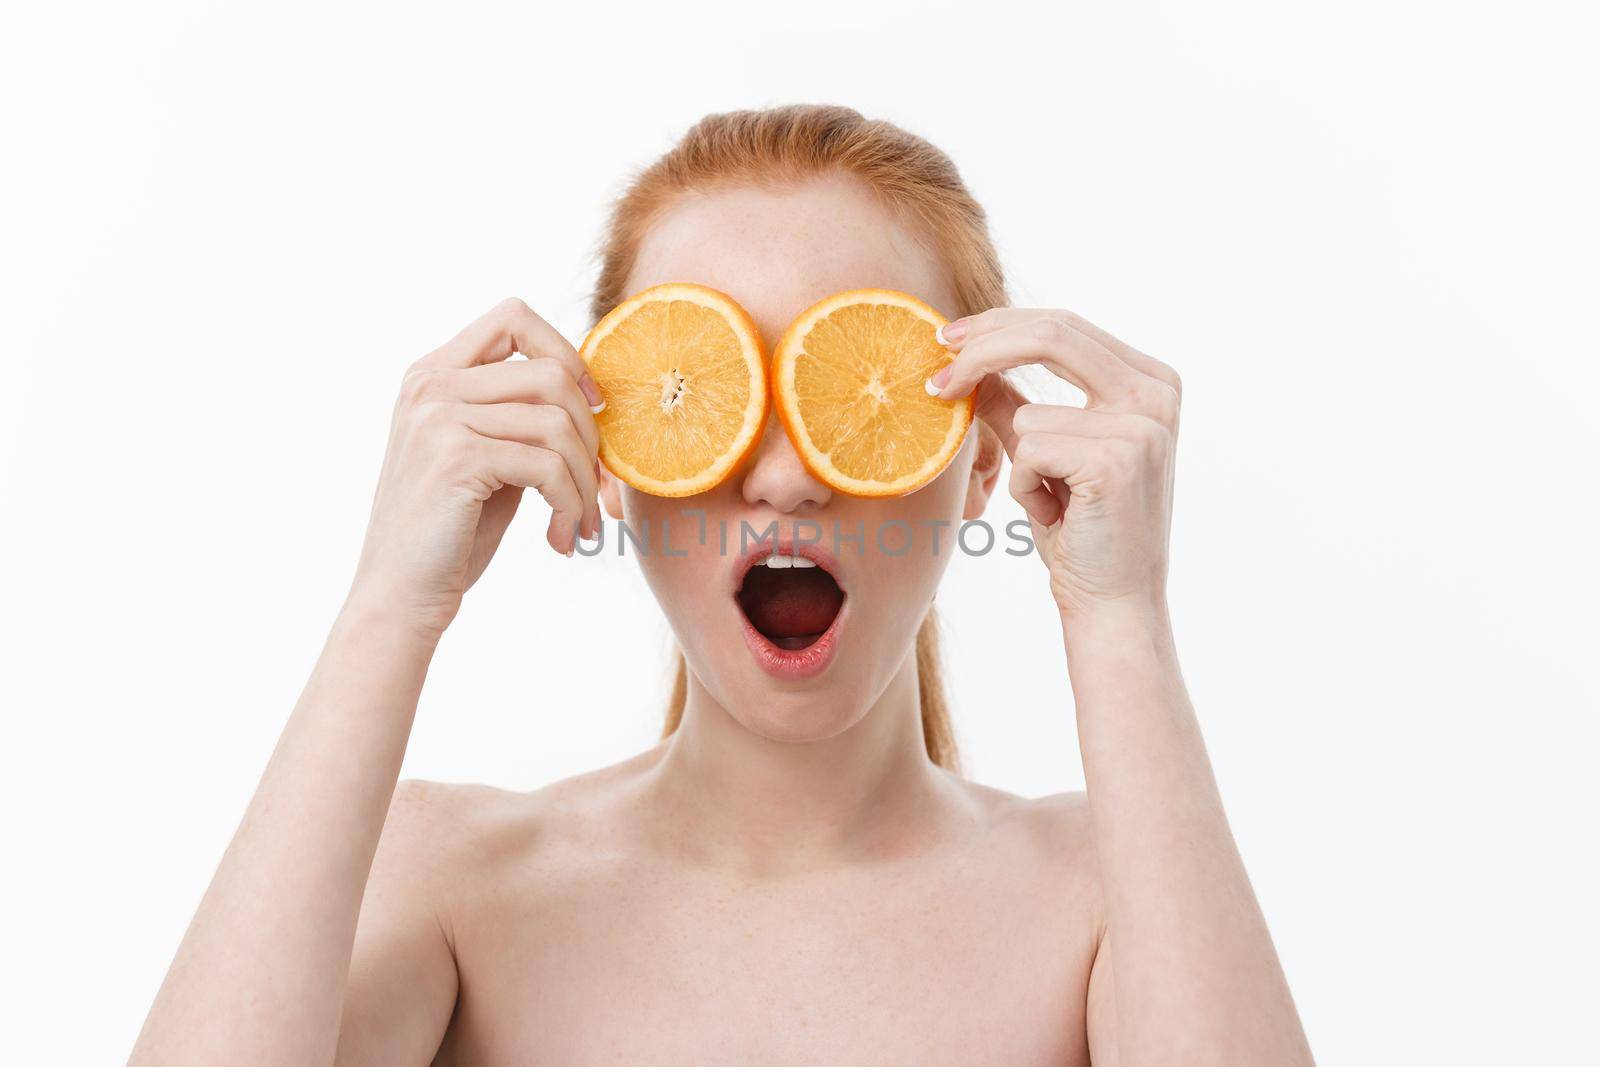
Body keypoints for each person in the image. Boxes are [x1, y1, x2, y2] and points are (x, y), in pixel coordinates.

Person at [131, 104, 1314, 1065]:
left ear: (979, 465)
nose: (786, 477)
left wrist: (1119, 617)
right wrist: (388, 602)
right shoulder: (448, 879)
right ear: (613, 456)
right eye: (708, 388)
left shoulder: (1114, 901)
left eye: (856, 400)